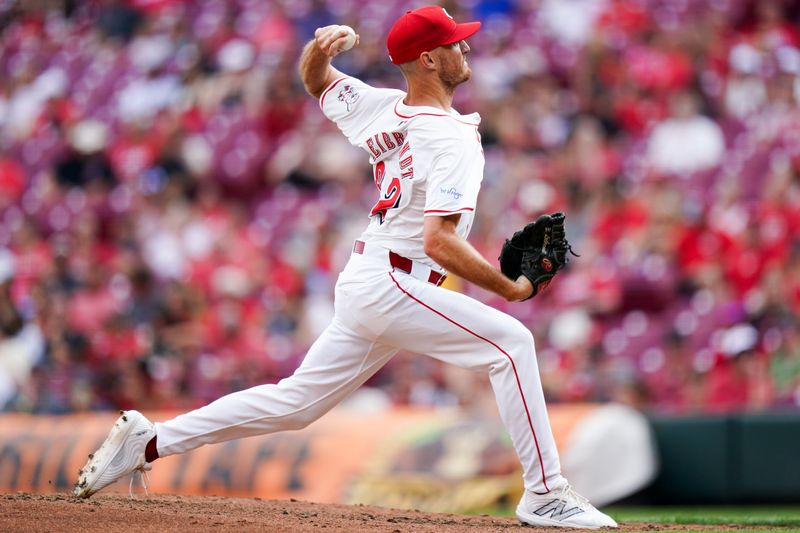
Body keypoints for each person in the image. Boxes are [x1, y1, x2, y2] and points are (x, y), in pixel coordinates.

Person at [74, 6, 617, 529]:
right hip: (393, 282)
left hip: (373, 278)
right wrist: (509, 287)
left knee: (297, 403)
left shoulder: (383, 107)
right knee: (513, 342)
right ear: (428, 59)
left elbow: (318, 83)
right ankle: (545, 494)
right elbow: (440, 241)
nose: (466, 45)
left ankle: (148, 442)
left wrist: (315, 52)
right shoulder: (449, 137)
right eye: (454, 41)